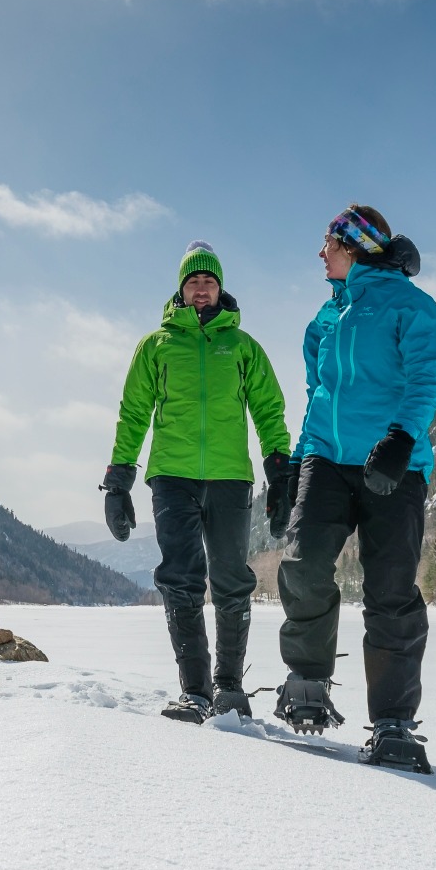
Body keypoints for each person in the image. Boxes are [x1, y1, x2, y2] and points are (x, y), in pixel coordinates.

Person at [275, 205, 436, 772]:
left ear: (353, 246)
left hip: (392, 466)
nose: (320, 253)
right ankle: (307, 681)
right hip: (325, 460)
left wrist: (401, 438)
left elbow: (428, 375)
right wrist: (294, 464)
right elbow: (316, 396)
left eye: (328, 242)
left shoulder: (410, 305)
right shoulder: (323, 321)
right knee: (302, 565)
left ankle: (394, 721)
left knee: (391, 588)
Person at [105, 241, 298, 723]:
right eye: (193, 282)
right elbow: (133, 415)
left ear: (220, 288)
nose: (200, 290)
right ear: (180, 288)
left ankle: (229, 687)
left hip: (232, 478)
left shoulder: (244, 346)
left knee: (231, 579)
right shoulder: (156, 346)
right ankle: (194, 691)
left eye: (208, 281)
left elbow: (269, 410)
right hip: (171, 477)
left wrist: (280, 469)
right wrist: (118, 479)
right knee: (181, 579)